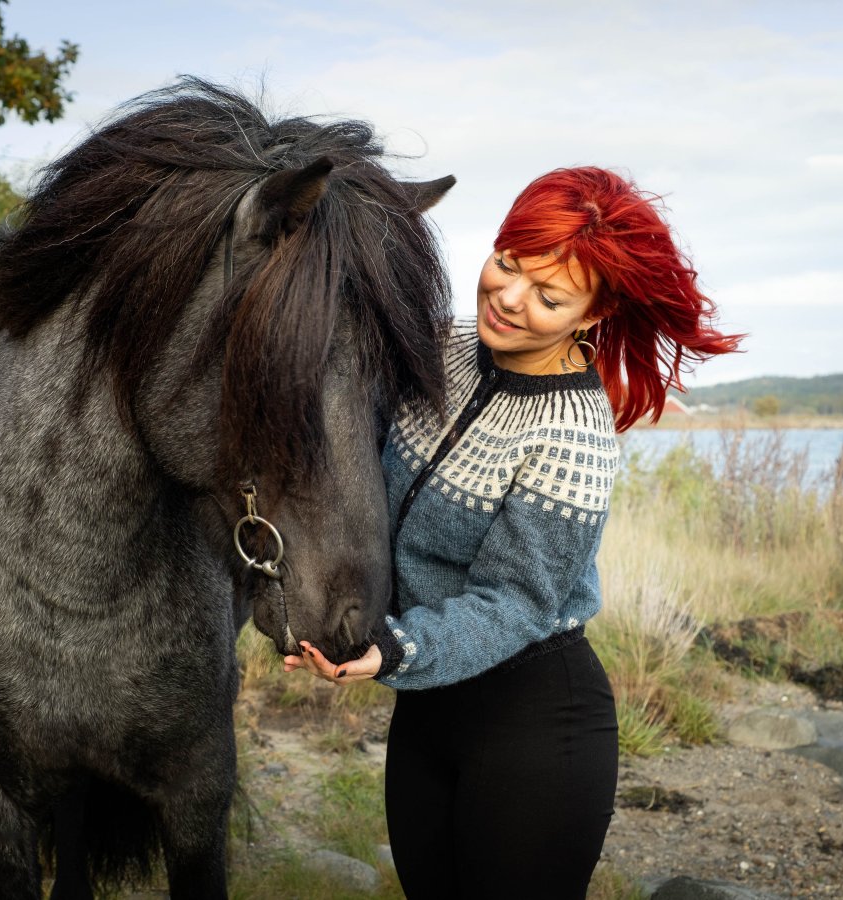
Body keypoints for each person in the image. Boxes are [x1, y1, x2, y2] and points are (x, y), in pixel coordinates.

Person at [283, 166, 742, 898]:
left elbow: (516, 602)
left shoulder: (572, 435)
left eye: (549, 295)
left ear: (592, 315)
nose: (509, 297)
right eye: (507, 262)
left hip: (533, 723)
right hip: (428, 711)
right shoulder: (438, 350)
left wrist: (390, 648)